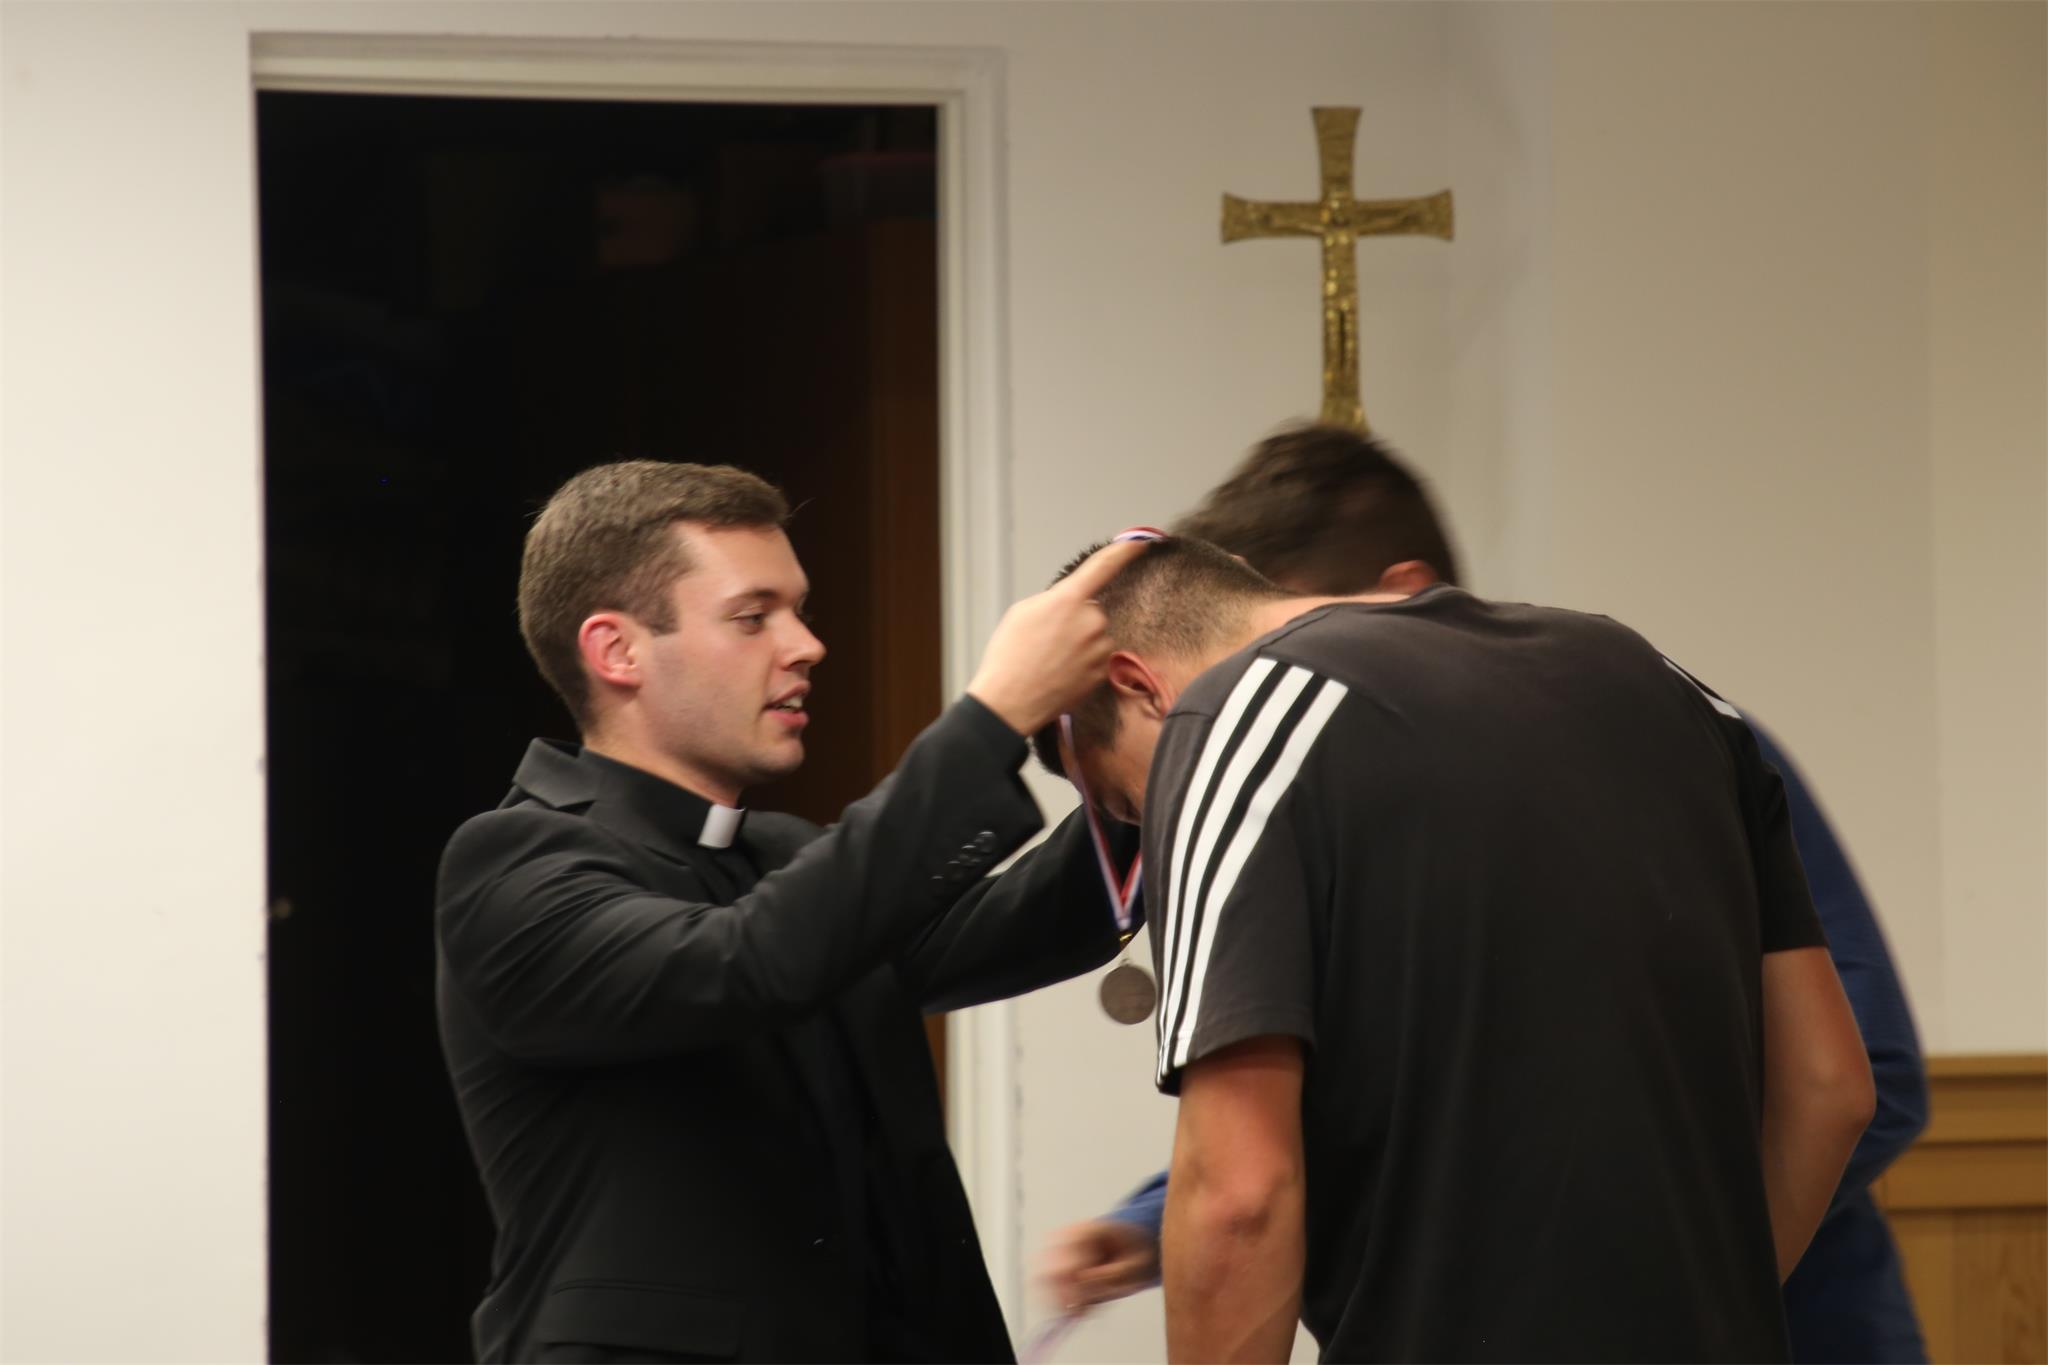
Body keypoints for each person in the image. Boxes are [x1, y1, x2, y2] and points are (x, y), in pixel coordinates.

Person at [1040, 426, 1929, 1363]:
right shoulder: (1674, 691)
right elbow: (1832, 1087)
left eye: (1126, 803)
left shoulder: (1229, 722)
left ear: (1138, 685)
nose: (1150, 832)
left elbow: (1240, 1196)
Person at [436, 460, 1146, 1364]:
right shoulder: (512, 862)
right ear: (616, 651)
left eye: (799, 611)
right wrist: (992, 716)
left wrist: (1159, 759)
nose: (807, 645)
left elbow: (1017, 923)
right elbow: (745, 962)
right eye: (753, 616)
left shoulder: (781, 855)